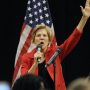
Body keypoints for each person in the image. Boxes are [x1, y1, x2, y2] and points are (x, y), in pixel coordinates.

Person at [21, 0, 90, 90]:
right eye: (38, 35)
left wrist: (84, 18)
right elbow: (25, 81)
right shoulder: (26, 57)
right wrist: (35, 63)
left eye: (44, 35)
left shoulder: (55, 53)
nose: (41, 38)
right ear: (34, 40)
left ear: (49, 40)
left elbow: (73, 38)